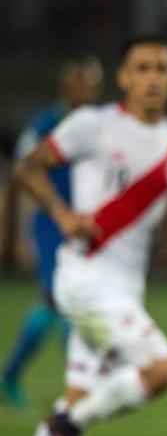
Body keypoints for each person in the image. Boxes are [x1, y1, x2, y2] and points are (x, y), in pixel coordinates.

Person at [0, 35, 167, 436]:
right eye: (142, 67)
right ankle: (67, 428)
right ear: (124, 77)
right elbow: (27, 167)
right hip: (82, 279)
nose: (153, 77)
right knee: (162, 370)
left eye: (162, 67)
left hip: (124, 288)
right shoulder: (92, 126)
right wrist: (60, 213)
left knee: (79, 390)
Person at [1, 57, 103, 408]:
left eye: (90, 82)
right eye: (79, 81)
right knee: (56, 299)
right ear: (66, 85)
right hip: (50, 225)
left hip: (87, 227)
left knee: (68, 303)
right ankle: (22, 376)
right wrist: (18, 229)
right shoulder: (45, 124)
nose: (85, 89)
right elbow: (23, 172)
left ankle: (23, 377)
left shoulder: (102, 126)